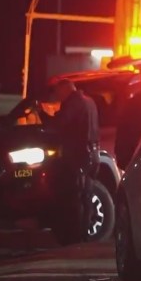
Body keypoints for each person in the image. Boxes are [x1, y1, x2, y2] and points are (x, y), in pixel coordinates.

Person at [45, 79, 100, 243]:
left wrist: (42, 114)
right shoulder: (89, 101)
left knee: (74, 196)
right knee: (86, 195)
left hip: (78, 155)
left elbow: (59, 124)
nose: (57, 96)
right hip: (93, 154)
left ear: (65, 90)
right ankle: (84, 234)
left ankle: (74, 236)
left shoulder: (73, 102)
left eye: (58, 92)